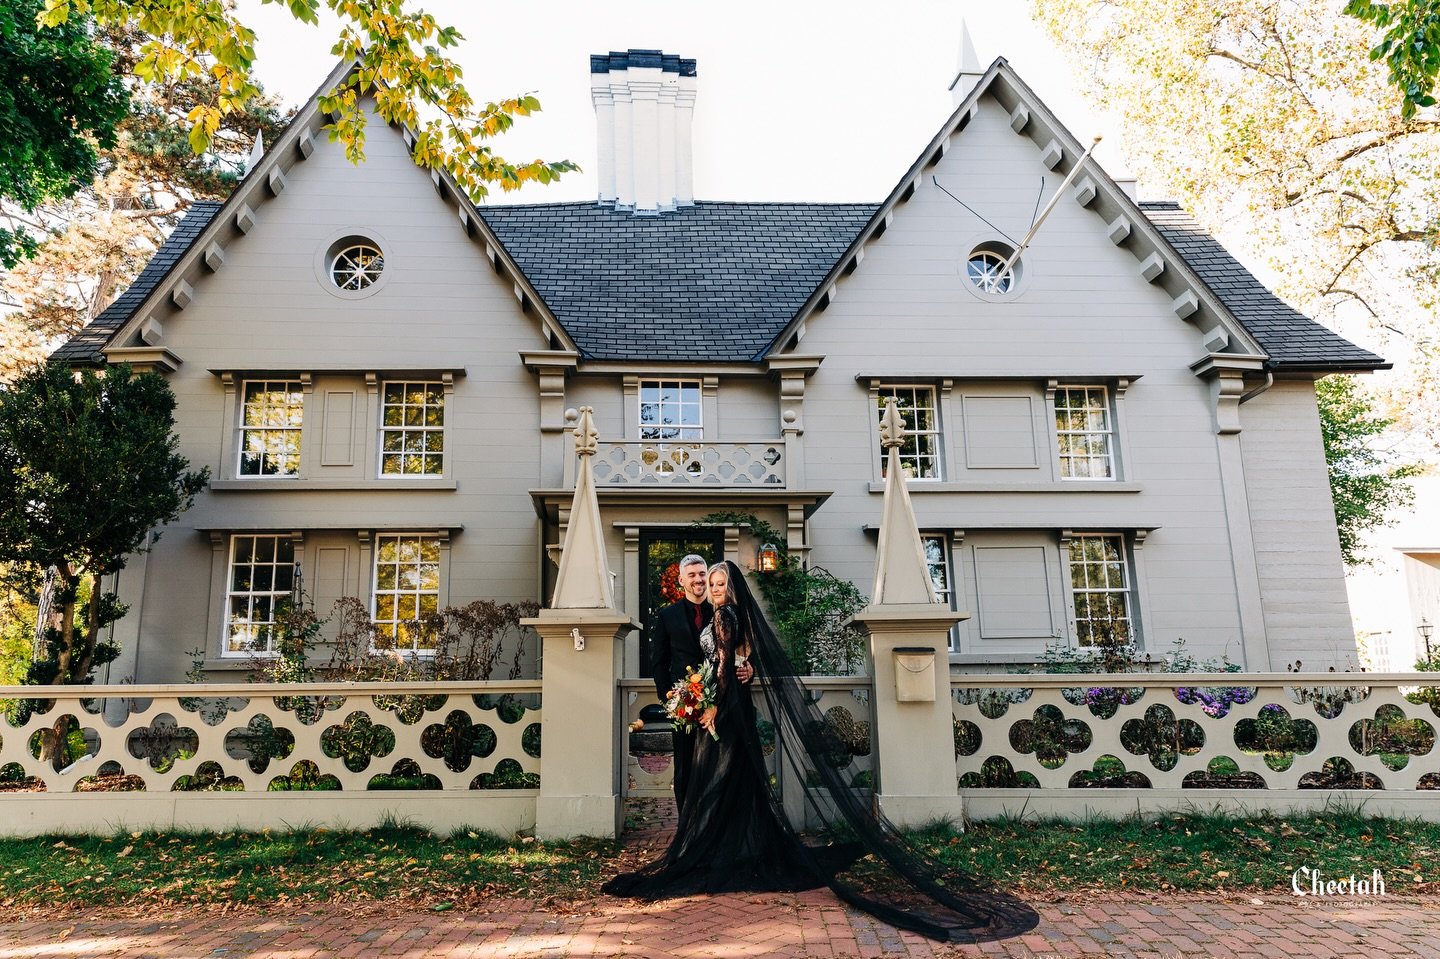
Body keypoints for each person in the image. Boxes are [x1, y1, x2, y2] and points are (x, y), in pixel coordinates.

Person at [607, 560, 1039, 945]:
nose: (711, 585)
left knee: (723, 778)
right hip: (703, 705)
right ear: (684, 581)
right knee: (716, 779)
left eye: (717, 580)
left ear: (726, 585)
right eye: (706, 580)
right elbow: (701, 659)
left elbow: (727, 660)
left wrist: (721, 696)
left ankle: (714, 847)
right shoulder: (696, 615)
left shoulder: (725, 614)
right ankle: (714, 842)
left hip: (722, 706)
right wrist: (690, 696)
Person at [650, 553, 756, 808]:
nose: (699, 580)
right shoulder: (667, 616)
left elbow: (741, 649)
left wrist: (751, 669)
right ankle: (686, 825)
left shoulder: (722, 607)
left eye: (702, 574)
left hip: (721, 701)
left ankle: (715, 824)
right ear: (681, 580)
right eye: (693, 575)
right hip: (685, 704)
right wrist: (670, 699)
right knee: (686, 766)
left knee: (720, 765)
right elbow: (659, 662)